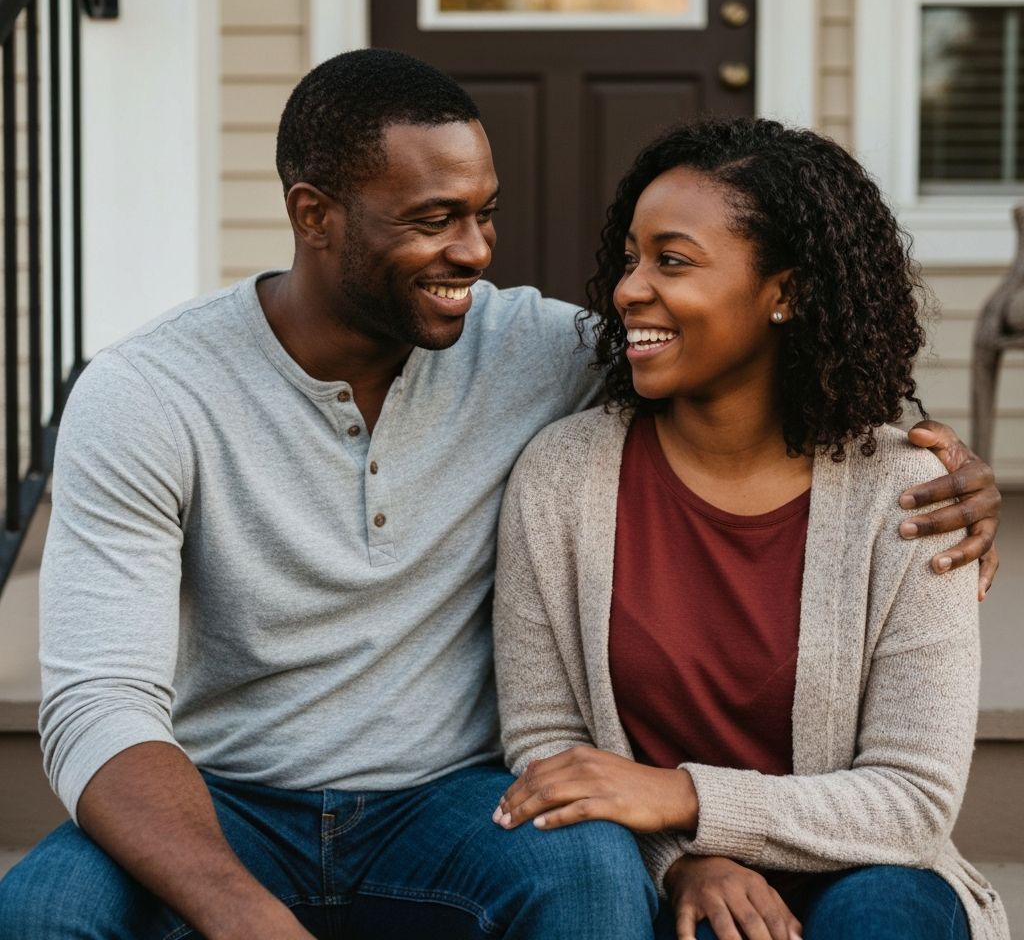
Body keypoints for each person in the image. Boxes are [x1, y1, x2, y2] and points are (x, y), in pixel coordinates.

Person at [0, 54, 1000, 939]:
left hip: (454, 804)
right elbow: (100, 703)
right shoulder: (147, 393)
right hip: (225, 796)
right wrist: (244, 918)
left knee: (589, 881)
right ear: (314, 215)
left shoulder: (537, 353)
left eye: (484, 213)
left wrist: (932, 461)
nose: (476, 253)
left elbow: (738, 364)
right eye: (435, 220)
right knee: (44, 911)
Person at [492, 119, 1010, 940]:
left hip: (864, 872)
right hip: (648, 869)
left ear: (787, 292)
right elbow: (546, 739)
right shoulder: (564, 474)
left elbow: (913, 802)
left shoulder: (908, 496)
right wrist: (686, 852)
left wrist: (687, 797)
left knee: (885, 916)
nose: (628, 288)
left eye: (673, 260)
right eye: (630, 258)